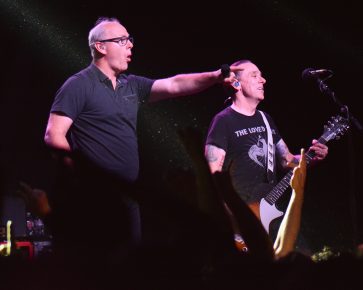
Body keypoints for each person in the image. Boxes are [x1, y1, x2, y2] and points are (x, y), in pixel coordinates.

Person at [43, 17, 239, 263]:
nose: (130, 46)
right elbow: (54, 134)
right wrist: (79, 177)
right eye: (122, 40)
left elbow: (175, 85)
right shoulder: (79, 85)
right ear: (101, 47)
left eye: (130, 40)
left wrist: (213, 77)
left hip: (128, 198)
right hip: (95, 198)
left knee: (127, 270)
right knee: (97, 267)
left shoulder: (131, 85)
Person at [205, 59, 328, 254]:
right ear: (235, 83)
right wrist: (233, 219)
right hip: (240, 221)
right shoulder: (223, 122)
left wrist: (312, 156)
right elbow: (211, 177)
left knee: (298, 259)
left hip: (270, 213)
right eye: (254, 75)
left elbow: (287, 161)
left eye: (261, 75)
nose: (263, 80)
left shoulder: (265, 119)